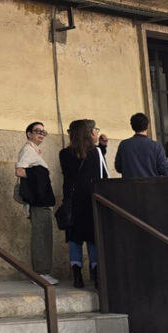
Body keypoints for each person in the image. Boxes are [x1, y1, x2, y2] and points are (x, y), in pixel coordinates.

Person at [59, 119, 109, 288]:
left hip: (72, 201)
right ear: (89, 133)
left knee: (74, 239)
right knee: (92, 238)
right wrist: (101, 148)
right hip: (91, 200)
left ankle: (77, 275)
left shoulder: (64, 154)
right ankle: (95, 274)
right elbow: (103, 177)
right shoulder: (96, 153)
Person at [15, 122, 58, 285]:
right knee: (40, 237)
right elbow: (19, 170)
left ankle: (44, 271)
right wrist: (40, 173)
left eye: (43, 132)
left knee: (44, 236)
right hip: (37, 202)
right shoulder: (27, 150)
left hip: (42, 201)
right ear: (28, 133)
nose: (41, 134)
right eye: (37, 131)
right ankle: (40, 272)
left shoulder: (35, 151)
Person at [114, 112, 168, 178]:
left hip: (129, 186)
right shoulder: (157, 146)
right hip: (152, 186)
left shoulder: (124, 145)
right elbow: (164, 170)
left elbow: (118, 168)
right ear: (147, 126)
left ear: (132, 127)